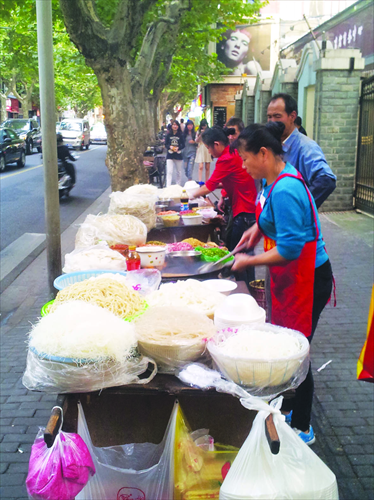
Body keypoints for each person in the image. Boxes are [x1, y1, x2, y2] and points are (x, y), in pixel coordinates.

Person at [232, 121, 333, 445]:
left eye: (246, 159)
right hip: (296, 277)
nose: (244, 166)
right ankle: (290, 407)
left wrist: (249, 261)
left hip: (308, 278)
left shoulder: (286, 187)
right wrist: (256, 231)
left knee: (297, 351)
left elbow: (289, 250)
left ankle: (303, 425)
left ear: (264, 153)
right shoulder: (275, 179)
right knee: (290, 345)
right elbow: (270, 217)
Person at [191, 126, 257, 288]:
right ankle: (247, 287)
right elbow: (232, 178)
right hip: (245, 206)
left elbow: (210, 185)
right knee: (242, 251)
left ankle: (245, 290)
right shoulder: (233, 152)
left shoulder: (225, 158)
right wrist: (224, 195)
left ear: (217, 144)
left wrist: (188, 195)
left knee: (238, 253)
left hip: (244, 209)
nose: (209, 152)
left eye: (208, 148)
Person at [267, 93, 336, 209]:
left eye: (277, 116)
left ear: (292, 116)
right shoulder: (272, 144)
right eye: (269, 116)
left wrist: (298, 208)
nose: (272, 121)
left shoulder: (305, 147)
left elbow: (326, 180)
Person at [164, 120, 185, 186]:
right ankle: (168, 186)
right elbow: (166, 144)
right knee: (169, 171)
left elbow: (183, 145)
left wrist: (178, 148)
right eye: (173, 125)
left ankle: (178, 185)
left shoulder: (181, 135)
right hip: (170, 155)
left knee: (178, 172)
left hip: (178, 155)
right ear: (171, 126)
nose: (175, 126)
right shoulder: (168, 135)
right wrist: (169, 147)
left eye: (176, 125)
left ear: (178, 126)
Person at [195, 119, 211, 183]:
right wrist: (201, 134)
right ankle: (200, 180)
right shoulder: (198, 131)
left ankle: (207, 181)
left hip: (207, 148)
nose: (204, 127)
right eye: (202, 126)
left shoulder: (209, 131)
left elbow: (211, 140)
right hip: (201, 147)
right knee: (200, 166)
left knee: (207, 166)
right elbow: (196, 141)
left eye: (205, 126)